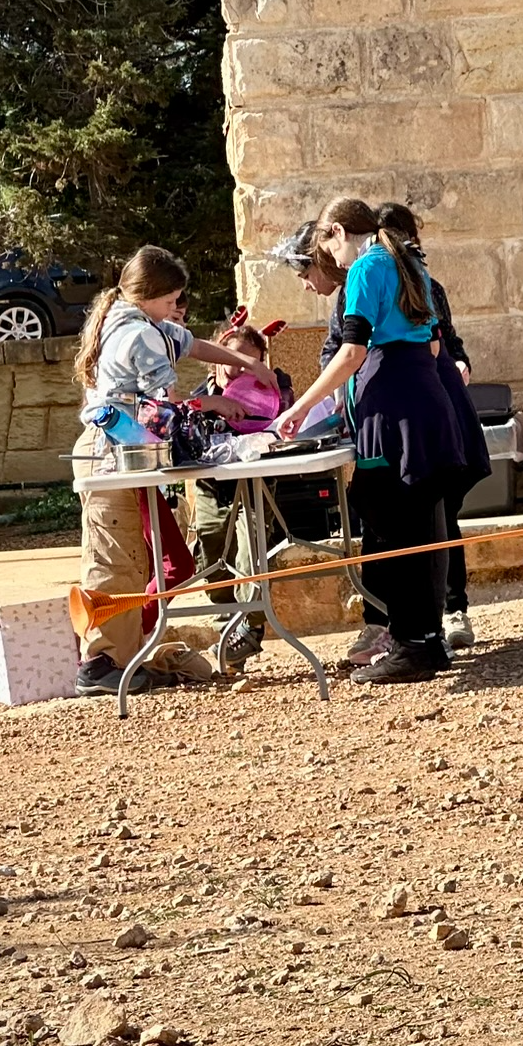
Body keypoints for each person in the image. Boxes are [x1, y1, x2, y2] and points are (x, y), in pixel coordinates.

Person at [269, 198, 467, 685]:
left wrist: (298, 408)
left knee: (396, 520)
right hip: (423, 399)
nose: (330, 262)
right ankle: (426, 637)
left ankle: (413, 644)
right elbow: (436, 344)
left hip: (392, 404)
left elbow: (352, 349)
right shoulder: (409, 263)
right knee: (426, 520)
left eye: (327, 247)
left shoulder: (364, 269)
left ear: (338, 231)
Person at [71, 246, 278, 698]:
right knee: (114, 562)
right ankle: (100, 661)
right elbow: (159, 403)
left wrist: (247, 363)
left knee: (143, 561)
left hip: (129, 454)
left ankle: (126, 656)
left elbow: (191, 343)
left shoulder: (144, 323)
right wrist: (206, 411)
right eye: (172, 299)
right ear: (148, 295)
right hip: (111, 456)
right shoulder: (137, 336)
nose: (178, 309)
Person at [377, 202, 490, 655]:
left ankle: (453, 608)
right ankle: (412, 623)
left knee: (444, 513)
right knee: (422, 516)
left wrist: (458, 361)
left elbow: (447, 339)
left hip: (438, 403)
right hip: (405, 410)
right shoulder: (369, 284)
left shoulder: (427, 284)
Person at [186, 321, 293, 671]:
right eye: (237, 364)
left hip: (253, 485)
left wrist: (272, 401)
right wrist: (211, 406)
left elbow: (288, 419)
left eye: (253, 363)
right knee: (212, 550)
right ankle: (226, 627)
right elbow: (182, 427)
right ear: (218, 360)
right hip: (213, 487)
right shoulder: (202, 394)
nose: (245, 372)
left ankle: (251, 625)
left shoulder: (275, 387)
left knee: (251, 547)